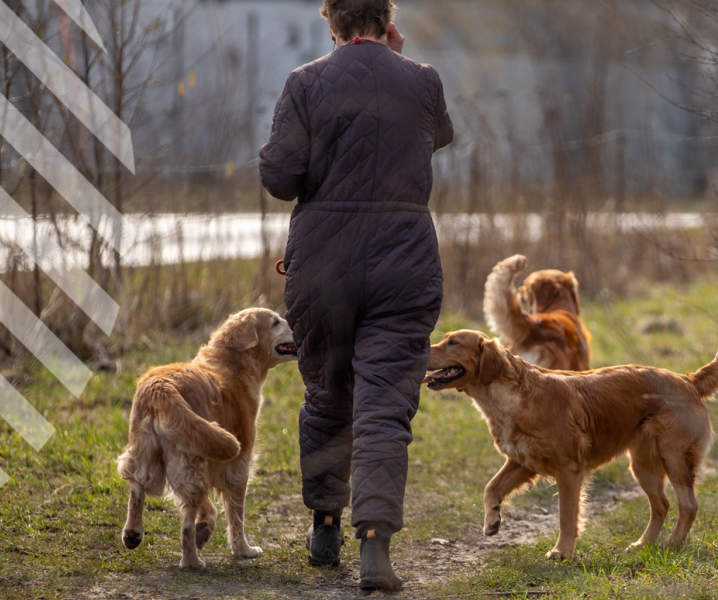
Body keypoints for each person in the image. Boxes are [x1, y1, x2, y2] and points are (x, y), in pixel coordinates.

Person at [258, 0, 452, 592]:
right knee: (384, 410)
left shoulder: (304, 83)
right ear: (386, 20)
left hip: (324, 268)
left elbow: (279, 179)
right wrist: (397, 61)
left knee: (327, 395)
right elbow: (438, 136)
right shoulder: (423, 80)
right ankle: (375, 548)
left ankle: (324, 525)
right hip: (404, 267)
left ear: (332, 22)